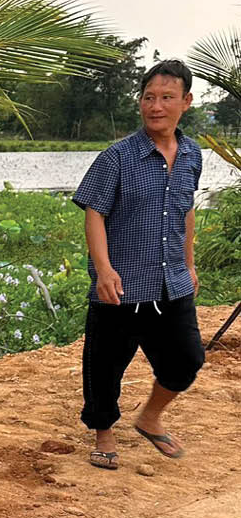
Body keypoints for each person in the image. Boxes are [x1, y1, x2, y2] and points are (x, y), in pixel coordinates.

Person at [72, 59, 205, 470]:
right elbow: (94, 212)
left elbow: (184, 210)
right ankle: (104, 434)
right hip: (123, 283)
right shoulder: (117, 157)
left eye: (166, 98)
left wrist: (189, 263)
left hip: (172, 282)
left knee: (187, 361)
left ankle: (149, 417)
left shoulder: (192, 155)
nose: (156, 106)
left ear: (186, 102)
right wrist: (105, 270)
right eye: (149, 97)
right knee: (105, 366)